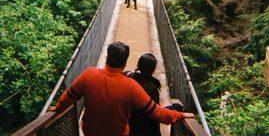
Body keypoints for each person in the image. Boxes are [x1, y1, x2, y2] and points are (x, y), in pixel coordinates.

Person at [50, 42, 194, 136]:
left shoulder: (89, 75)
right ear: (125, 63)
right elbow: (156, 113)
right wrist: (179, 115)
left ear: (107, 58)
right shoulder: (131, 87)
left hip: (90, 132)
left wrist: (57, 107)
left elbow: (69, 97)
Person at [126, 53, 161, 136]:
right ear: (153, 69)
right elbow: (155, 112)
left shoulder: (129, 79)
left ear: (138, 65)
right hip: (146, 130)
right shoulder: (153, 88)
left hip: (129, 126)